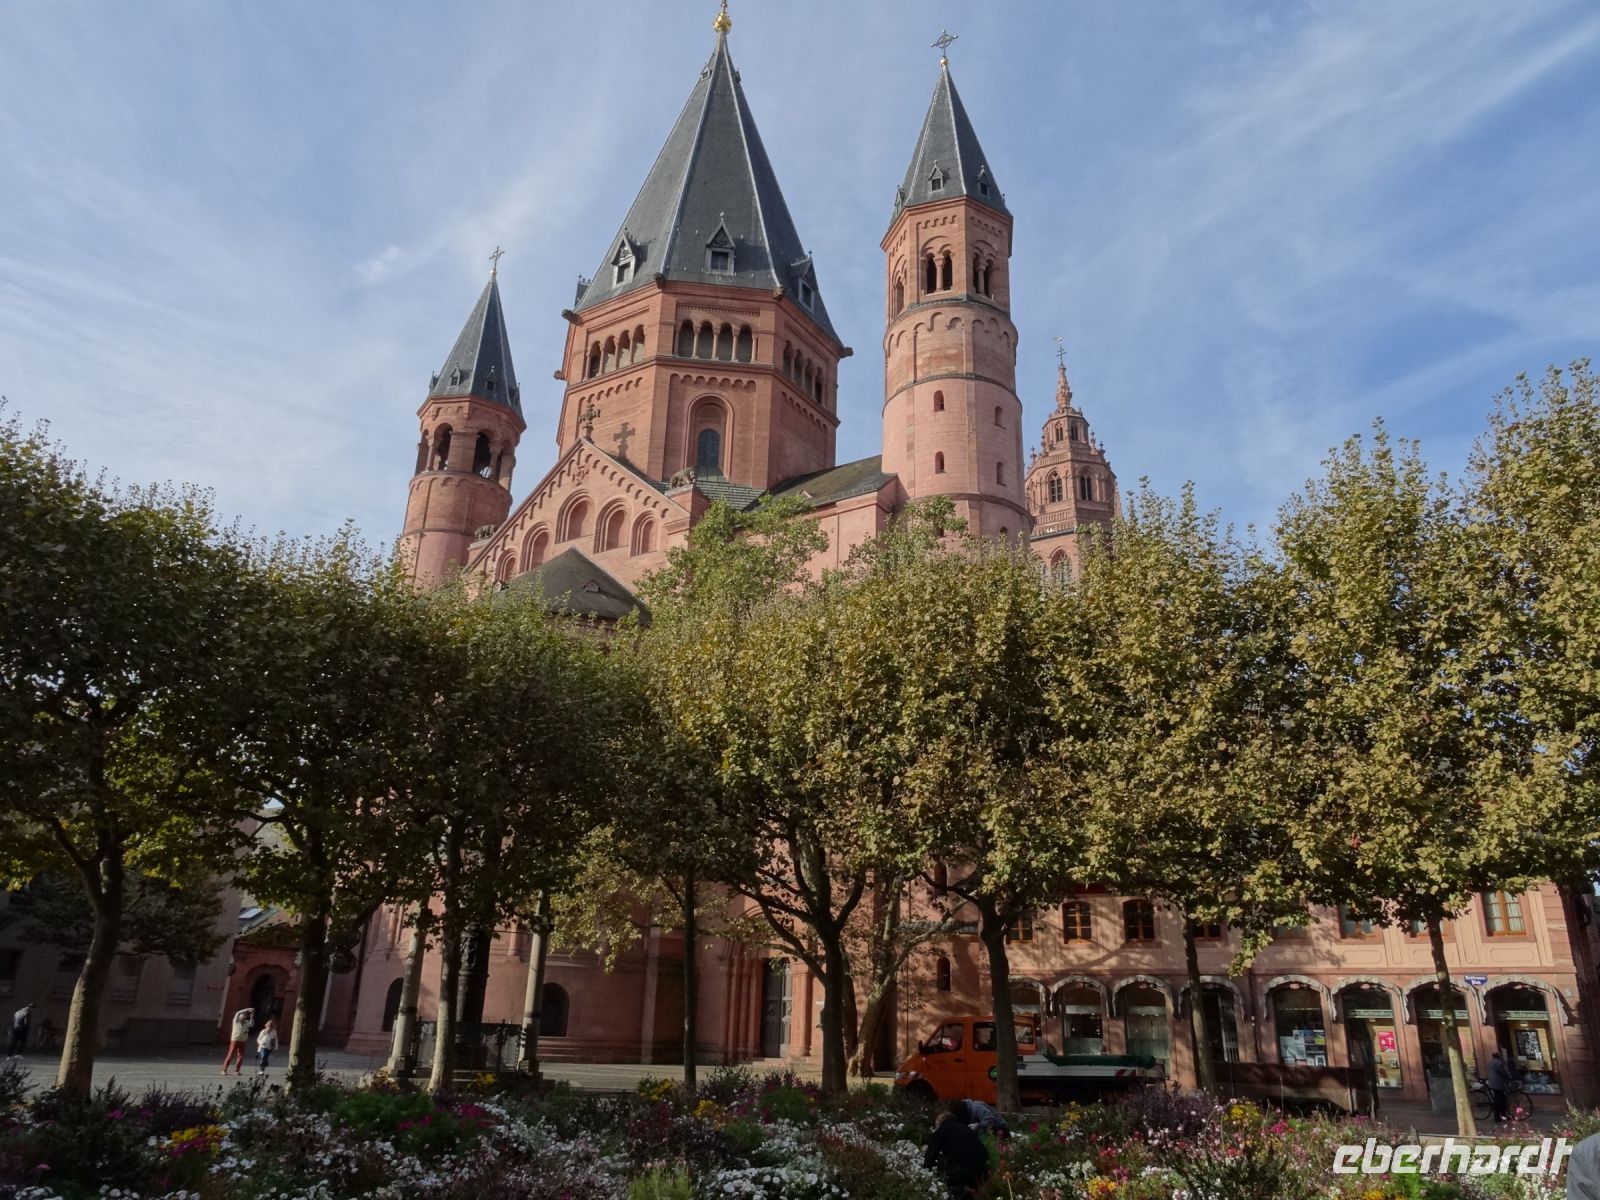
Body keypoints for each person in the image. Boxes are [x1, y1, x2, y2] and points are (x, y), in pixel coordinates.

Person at [923, 1101, 990, 1199]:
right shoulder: (965, 1128)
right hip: (982, 1169)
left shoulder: (943, 1129)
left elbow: (931, 1155)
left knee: (944, 1175)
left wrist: (925, 1176)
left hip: (963, 1171)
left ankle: (961, 1191)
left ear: (939, 1123)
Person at [222, 1006, 254, 1075]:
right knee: (230, 1054)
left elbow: (252, 1024)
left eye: (244, 1016)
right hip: (235, 1039)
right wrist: (247, 1010)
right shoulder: (236, 1021)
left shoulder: (246, 1023)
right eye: (242, 1015)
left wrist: (251, 1015)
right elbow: (237, 1013)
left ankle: (236, 1071)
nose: (243, 1017)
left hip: (243, 1041)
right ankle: (224, 1070)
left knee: (241, 1056)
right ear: (240, 1016)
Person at [1487, 1049, 1513, 1123]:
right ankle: (1498, 1117)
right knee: (1499, 1101)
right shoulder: (1499, 1063)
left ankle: (1503, 1115)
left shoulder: (1489, 1062)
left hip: (1492, 1083)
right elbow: (1503, 1072)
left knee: (1501, 1100)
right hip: (1498, 1084)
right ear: (1498, 1056)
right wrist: (1508, 1077)